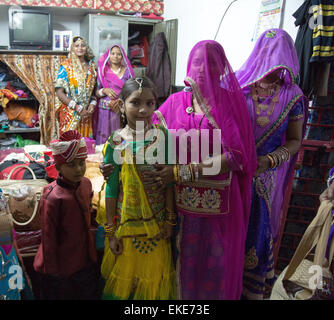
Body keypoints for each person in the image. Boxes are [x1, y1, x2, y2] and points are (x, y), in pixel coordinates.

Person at [102, 40, 257, 299]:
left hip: (217, 206)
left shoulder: (228, 103)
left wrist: (184, 172)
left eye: (210, 64)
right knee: (178, 267)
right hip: (176, 205)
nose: (202, 69)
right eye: (197, 62)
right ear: (188, 64)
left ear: (221, 69)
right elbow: (143, 132)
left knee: (214, 268)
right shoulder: (175, 102)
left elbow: (238, 157)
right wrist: (113, 162)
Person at [235, 28, 308, 300]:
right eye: (269, 54)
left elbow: (295, 140)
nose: (274, 63)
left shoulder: (294, 96)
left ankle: (251, 291)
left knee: (258, 228)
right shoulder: (240, 86)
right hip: (235, 172)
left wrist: (270, 160)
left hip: (266, 178)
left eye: (280, 56)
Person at [100, 77, 176, 300]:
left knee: (154, 285)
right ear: (122, 104)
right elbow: (112, 189)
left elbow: (169, 182)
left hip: (158, 226)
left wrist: (170, 220)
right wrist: (111, 232)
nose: (143, 110)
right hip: (126, 229)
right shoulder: (115, 142)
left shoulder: (163, 137)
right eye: (135, 103)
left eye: (150, 103)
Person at [33, 130, 99, 300]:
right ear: (58, 167)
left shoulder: (85, 184)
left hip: (85, 260)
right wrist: (53, 274)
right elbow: (48, 239)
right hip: (61, 269)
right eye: (71, 165)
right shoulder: (53, 196)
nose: (78, 169)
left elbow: (89, 215)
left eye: (81, 163)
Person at [55, 36, 97, 138]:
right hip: (70, 114)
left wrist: (92, 104)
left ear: (86, 48)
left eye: (83, 45)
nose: (80, 48)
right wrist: (77, 107)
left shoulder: (92, 67)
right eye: (77, 46)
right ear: (72, 48)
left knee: (85, 147)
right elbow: (59, 92)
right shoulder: (65, 66)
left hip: (86, 114)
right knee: (69, 147)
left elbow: (94, 92)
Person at [94, 45, 135, 145]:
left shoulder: (128, 72)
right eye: (112, 53)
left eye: (118, 54)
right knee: (103, 142)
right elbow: (95, 93)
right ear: (108, 55)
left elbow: (132, 92)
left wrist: (121, 101)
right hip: (104, 111)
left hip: (120, 111)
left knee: (119, 139)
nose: (115, 56)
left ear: (123, 56)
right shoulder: (102, 71)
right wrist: (104, 91)